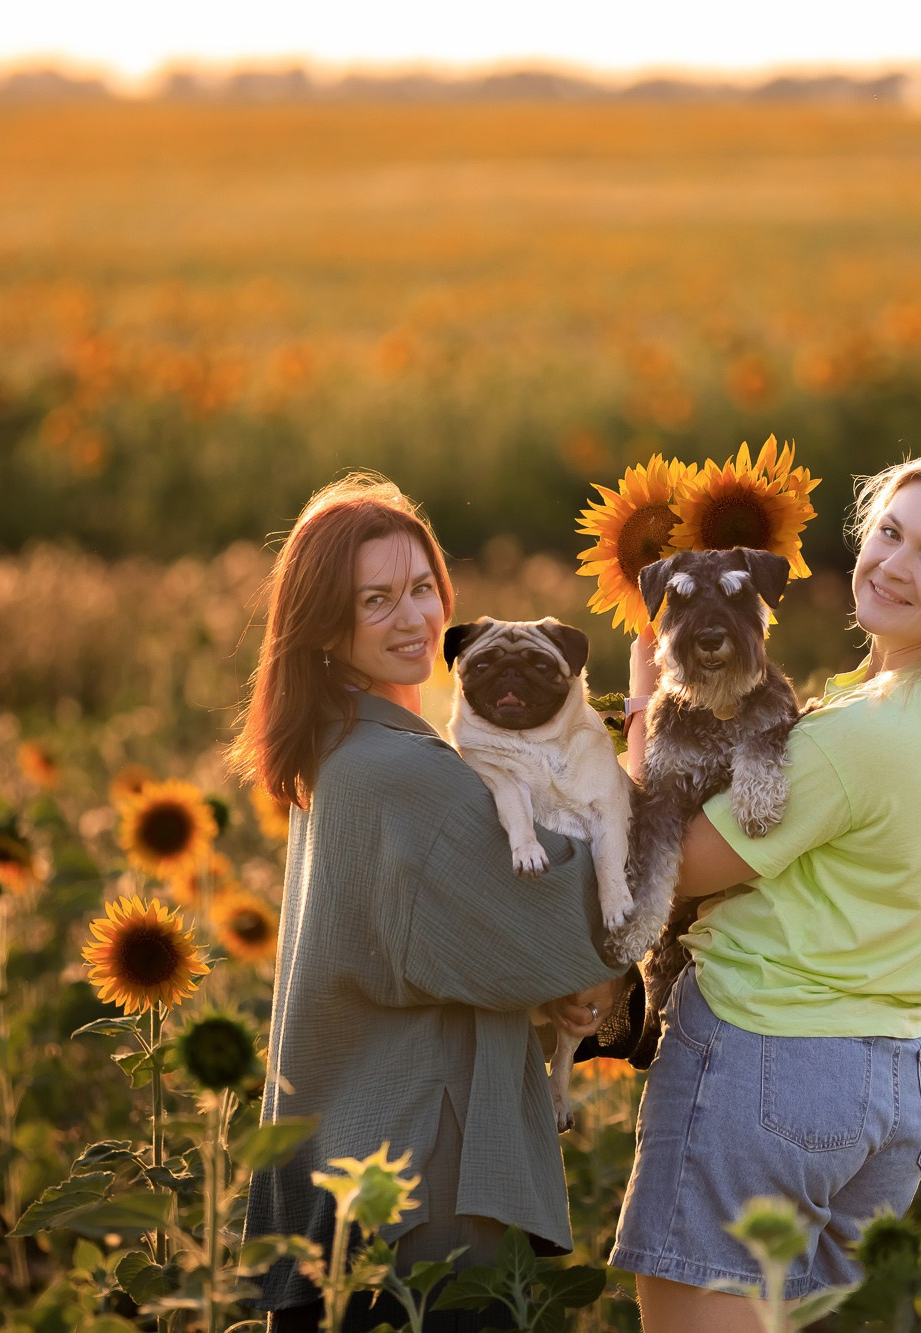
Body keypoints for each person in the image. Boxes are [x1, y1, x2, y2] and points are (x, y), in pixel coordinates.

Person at [600, 442, 921, 1328]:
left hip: (764, 1060)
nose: (893, 564)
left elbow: (670, 868)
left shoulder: (861, 736)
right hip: (890, 1082)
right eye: (891, 533)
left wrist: (647, 700)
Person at [226, 474, 635, 1333]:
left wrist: (556, 985)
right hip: (423, 1189)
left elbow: (446, 945)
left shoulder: (343, 749)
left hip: (354, 1167)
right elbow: (573, 910)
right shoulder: (404, 774)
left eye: (422, 587)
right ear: (324, 626)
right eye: (375, 599)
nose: (413, 617)